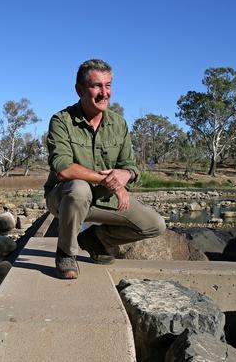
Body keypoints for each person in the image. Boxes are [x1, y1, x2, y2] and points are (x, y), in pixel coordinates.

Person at [45, 59, 166, 279]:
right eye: (96, 86)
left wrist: (126, 174)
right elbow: (63, 168)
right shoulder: (61, 121)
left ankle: (96, 239)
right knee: (79, 188)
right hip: (65, 199)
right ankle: (66, 253)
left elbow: (129, 165)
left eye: (108, 85)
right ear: (79, 89)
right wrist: (107, 180)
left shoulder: (119, 124)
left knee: (155, 225)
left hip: (104, 200)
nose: (104, 93)